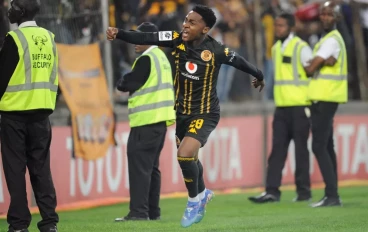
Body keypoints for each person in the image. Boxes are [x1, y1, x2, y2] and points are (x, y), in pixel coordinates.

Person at [106, 4, 264, 228]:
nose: (185, 25)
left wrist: (259, 75)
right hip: (182, 114)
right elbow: (147, 36)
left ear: (205, 28)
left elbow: (239, 61)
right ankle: (203, 193)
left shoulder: (216, 50)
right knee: (191, 158)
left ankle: (194, 201)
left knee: (185, 154)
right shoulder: (175, 39)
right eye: (186, 21)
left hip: (206, 112)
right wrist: (119, 33)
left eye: (192, 22)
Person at [0, 0, 59, 231]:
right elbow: (53, 74)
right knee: (41, 170)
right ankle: (50, 223)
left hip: (14, 114)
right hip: (42, 113)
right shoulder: (49, 38)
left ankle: (19, 224)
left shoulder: (14, 39)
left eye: (13, 6)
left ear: (20, 12)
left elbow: (2, 78)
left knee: (15, 170)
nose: (9, 9)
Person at [113, 22, 176, 222]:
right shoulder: (162, 58)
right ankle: (152, 212)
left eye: (138, 38)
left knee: (140, 168)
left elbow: (127, 83)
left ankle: (139, 212)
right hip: (159, 122)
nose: (134, 42)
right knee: (152, 169)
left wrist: (121, 82)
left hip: (145, 123)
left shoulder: (146, 59)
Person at [248, 12, 312, 204]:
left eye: (282, 26)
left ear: (291, 27)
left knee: (301, 151)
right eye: (276, 26)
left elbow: (311, 73)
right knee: (277, 151)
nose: (278, 29)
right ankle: (272, 191)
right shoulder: (276, 48)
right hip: (282, 107)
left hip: (300, 106)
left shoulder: (301, 47)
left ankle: (304, 192)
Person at [304, 1, 347, 207]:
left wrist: (314, 64)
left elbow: (309, 69)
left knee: (319, 146)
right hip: (324, 97)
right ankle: (332, 194)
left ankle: (332, 196)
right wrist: (319, 62)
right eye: (323, 14)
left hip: (325, 97)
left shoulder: (331, 40)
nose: (325, 17)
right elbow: (315, 64)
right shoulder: (328, 39)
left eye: (330, 14)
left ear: (337, 18)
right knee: (327, 146)